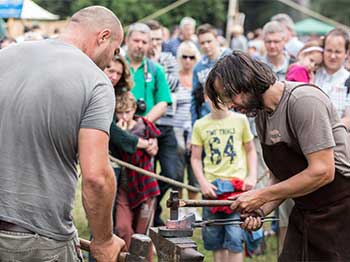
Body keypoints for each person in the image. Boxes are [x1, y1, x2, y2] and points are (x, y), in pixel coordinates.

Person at [0, 6, 126, 261]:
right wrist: (103, 240)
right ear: (102, 36)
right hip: (37, 240)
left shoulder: (5, 56)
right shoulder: (95, 82)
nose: (111, 62)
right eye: (114, 51)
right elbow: (96, 177)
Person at [205, 51, 350, 261]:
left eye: (228, 96)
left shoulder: (304, 101)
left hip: (341, 211)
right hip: (306, 211)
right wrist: (260, 210)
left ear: (245, 80)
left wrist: (262, 195)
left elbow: (323, 171)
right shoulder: (262, 115)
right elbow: (281, 175)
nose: (229, 106)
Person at [191, 94, 258, 262]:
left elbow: (250, 150)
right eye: (214, 96)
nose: (218, 100)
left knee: (235, 236)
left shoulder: (240, 120)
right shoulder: (200, 125)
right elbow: (195, 158)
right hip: (212, 190)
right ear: (206, 97)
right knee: (215, 238)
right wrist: (203, 183)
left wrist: (252, 175)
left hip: (237, 188)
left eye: (223, 96)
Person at [144, 19, 182, 226]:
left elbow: (174, 84)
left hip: (166, 125)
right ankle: (149, 215)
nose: (157, 43)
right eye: (153, 39)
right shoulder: (140, 63)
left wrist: (157, 64)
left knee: (171, 173)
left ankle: (156, 204)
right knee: (146, 173)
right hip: (145, 126)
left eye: (160, 39)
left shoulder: (167, 58)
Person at [113, 91, 160, 250]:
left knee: (143, 235)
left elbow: (154, 148)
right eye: (120, 112)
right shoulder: (115, 131)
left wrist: (152, 144)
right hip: (125, 186)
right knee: (123, 228)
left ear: (134, 109)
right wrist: (122, 135)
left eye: (128, 112)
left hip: (145, 185)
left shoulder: (145, 126)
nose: (124, 116)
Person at [173, 40, 201, 219]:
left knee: (194, 173)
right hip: (176, 130)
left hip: (196, 129)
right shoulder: (173, 78)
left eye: (192, 57)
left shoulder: (198, 79)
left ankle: (192, 208)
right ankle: (180, 207)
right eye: (185, 56)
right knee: (177, 172)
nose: (188, 60)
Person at [191, 23, 231, 125]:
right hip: (207, 118)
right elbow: (195, 98)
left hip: (231, 116)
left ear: (217, 39)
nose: (206, 46)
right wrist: (194, 123)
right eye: (202, 43)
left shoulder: (231, 58)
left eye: (209, 41)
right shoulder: (198, 67)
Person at [314, 28, 350, 130]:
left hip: (336, 138)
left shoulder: (348, 80)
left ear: (346, 53)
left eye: (338, 52)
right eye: (329, 50)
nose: (333, 56)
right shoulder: (312, 73)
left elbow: (348, 119)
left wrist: (324, 130)